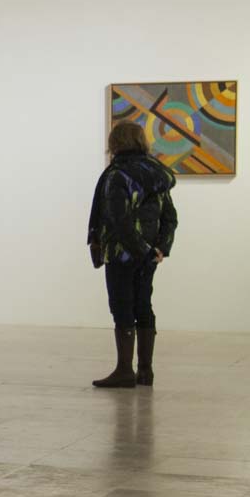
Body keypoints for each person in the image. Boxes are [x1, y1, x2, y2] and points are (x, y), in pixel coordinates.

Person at [88, 121, 178, 388]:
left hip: (122, 255)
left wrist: (141, 251)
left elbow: (119, 220)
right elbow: (170, 217)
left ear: (115, 143)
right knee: (143, 305)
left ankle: (125, 370)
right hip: (148, 256)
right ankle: (145, 372)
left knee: (122, 307)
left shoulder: (117, 175)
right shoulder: (157, 174)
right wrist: (158, 249)